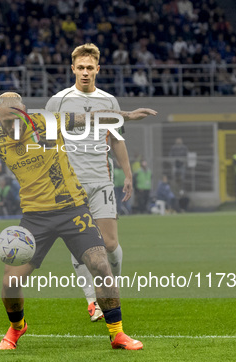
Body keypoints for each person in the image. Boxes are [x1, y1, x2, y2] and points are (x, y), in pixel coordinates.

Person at [0, 92, 154, 351]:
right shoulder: (0, 140)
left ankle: (117, 334)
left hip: (73, 210)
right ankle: (17, 326)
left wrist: (126, 115)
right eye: (8, 117)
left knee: (100, 264)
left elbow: (90, 118)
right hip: (35, 219)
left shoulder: (47, 121)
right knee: (9, 283)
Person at [45, 43, 157, 322]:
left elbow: (117, 140)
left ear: (98, 69)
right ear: (73, 69)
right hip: (70, 185)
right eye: (80, 67)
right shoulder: (57, 101)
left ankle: (110, 289)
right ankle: (93, 301)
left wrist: (128, 174)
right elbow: (48, 143)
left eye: (89, 68)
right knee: (80, 245)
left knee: (108, 243)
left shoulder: (109, 101)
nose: (85, 72)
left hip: (102, 180)